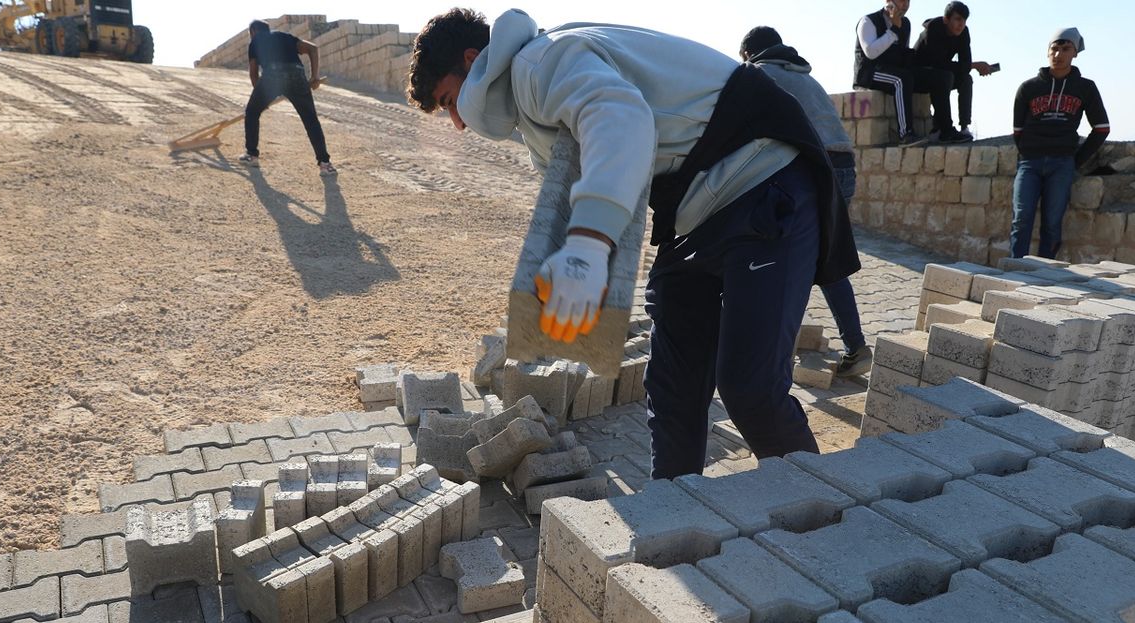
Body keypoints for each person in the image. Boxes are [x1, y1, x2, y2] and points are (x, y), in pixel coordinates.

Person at [407, 9, 860, 478]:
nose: (457, 123)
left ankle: (821, 511)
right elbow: (590, 183)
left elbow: (621, 119)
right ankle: (674, 507)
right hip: (697, 212)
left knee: (751, 390)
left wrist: (588, 244)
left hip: (764, 182)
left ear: (472, 60)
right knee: (672, 388)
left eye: (450, 101)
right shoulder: (531, 108)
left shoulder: (538, 63)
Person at [740, 26, 871, 377]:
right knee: (824, 256)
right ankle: (856, 347)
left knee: (786, 259)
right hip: (843, 167)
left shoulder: (756, 74)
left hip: (811, 169)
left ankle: (774, 359)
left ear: (748, 53)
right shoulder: (805, 77)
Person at [1009, 28, 1109, 259]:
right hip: (1029, 164)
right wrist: (1029, 151)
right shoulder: (1029, 88)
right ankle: (1014, 268)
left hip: (1062, 164)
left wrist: (1076, 160)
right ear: (1047, 51)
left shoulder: (1085, 88)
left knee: (1052, 223)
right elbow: (1018, 130)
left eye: (1065, 49)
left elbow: (1102, 128)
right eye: (1054, 49)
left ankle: (1045, 272)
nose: (1058, 54)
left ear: (1075, 53)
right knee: (1021, 219)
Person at [854, 0, 971, 146]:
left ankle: (945, 131)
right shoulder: (869, 21)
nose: (905, 5)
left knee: (941, 77)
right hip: (870, 73)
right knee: (902, 79)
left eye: (907, 1)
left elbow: (901, 52)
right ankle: (906, 134)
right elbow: (870, 53)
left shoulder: (905, 23)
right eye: (901, 0)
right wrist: (894, 30)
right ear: (889, 1)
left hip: (896, 70)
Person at [239, 20, 336, 176]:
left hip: (272, 75)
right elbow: (313, 48)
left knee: (251, 112)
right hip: (297, 74)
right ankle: (325, 164)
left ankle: (252, 155)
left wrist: (261, 98)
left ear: (253, 31)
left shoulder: (255, 41)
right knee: (311, 120)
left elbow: (253, 73)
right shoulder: (284, 36)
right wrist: (314, 77)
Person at [913, 2, 996, 138]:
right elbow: (937, 63)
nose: (961, 24)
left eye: (964, 20)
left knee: (965, 79)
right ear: (946, 19)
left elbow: (965, 64)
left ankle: (964, 127)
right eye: (957, 19)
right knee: (945, 77)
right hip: (918, 76)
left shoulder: (963, 33)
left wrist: (974, 66)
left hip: (940, 75)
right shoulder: (933, 29)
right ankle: (945, 129)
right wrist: (975, 65)